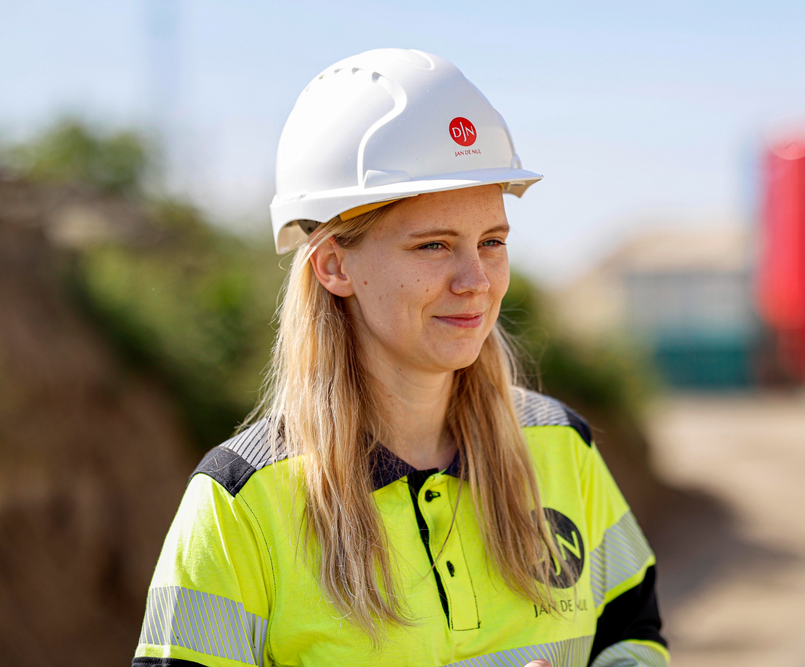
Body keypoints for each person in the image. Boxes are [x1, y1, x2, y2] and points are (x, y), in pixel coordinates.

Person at [132, 49, 669, 667]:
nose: (476, 281)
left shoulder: (559, 445)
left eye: (492, 242)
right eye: (434, 245)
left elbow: (634, 639)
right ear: (334, 266)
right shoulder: (241, 503)